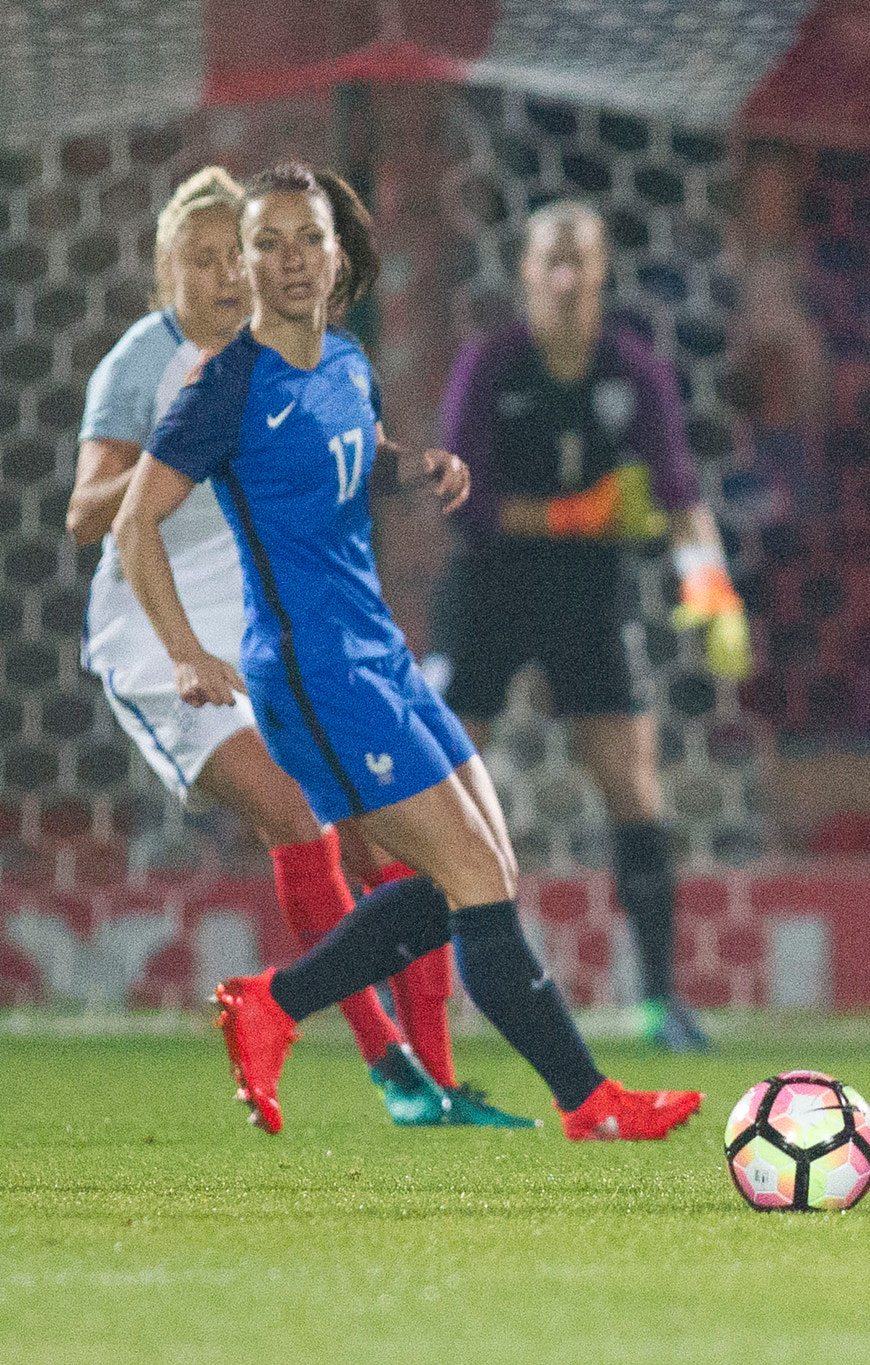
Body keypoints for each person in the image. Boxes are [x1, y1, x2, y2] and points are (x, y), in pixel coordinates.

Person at [110, 161, 699, 1141]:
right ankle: (589, 1101)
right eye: (269, 242)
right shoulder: (226, 390)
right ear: (246, 265)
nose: (291, 259)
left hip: (382, 650)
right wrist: (182, 651)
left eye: (309, 239)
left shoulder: (343, 360)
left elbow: (344, 453)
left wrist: (408, 466)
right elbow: (136, 526)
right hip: (315, 672)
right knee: (470, 878)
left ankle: (273, 1005)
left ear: (339, 255)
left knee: (477, 877)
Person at [67, 166, 528, 1129]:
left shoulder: (285, 359)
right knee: (292, 811)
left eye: (234, 253)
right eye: (201, 258)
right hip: (159, 640)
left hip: (260, 628)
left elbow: (335, 458)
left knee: (386, 841)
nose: (228, 274)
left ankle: (436, 1078)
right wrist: (181, 452)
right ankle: (388, 1063)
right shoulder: (145, 366)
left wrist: (410, 468)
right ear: (164, 276)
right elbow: (87, 515)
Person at [436, 199, 745, 1053]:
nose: (568, 278)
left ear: (604, 273)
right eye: (552, 261)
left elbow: (681, 497)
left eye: (583, 261)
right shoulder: (491, 368)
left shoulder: (635, 373)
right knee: (441, 794)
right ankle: (423, 997)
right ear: (527, 273)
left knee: (634, 787)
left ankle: (660, 1001)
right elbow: (466, 506)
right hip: (489, 593)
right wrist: (580, 512)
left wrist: (713, 591)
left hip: (588, 597)